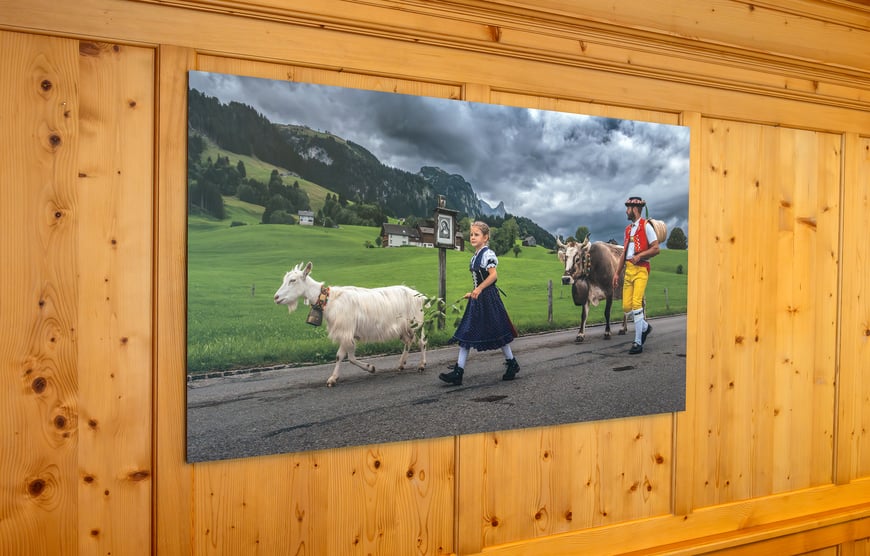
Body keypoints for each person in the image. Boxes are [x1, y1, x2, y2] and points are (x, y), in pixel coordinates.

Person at [439, 221, 519, 386]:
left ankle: (512, 363)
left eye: (476, 234)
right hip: (478, 299)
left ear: (486, 237)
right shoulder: (475, 256)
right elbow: (479, 281)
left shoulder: (488, 254)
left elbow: (493, 276)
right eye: (472, 234)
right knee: (466, 332)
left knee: (498, 331)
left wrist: (479, 289)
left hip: (488, 299)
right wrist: (473, 291)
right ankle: (458, 371)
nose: (472, 237)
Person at [613, 196, 660, 354]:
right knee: (626, 307)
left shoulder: (646, 226)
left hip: (641, 269)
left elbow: (656, 248)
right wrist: (616, 273)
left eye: (628, 208)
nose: (626, 211)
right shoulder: (628, 230)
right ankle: (645, 327)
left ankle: (638, 342)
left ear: (635, 209)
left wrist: (640, 256)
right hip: (628, 270)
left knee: (636, 304)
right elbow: (623, 254)